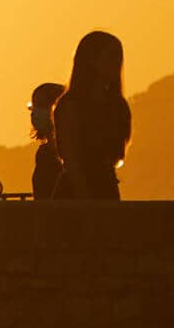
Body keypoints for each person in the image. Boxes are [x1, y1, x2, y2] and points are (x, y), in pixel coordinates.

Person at [51, 30, 132, 200]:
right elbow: (71, 158)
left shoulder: (117, 105)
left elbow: (116, 154)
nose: (117, 63)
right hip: (76, 191)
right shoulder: (71, 104)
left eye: (118, 57)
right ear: (91, 61)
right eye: (110, 56)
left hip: (106, 186)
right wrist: (84, 195)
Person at [27, 81, 67, 199]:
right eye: (33, 106)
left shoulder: (69, 155)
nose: (34, 112)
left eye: (41, 105)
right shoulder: (43, 153)